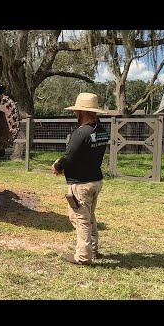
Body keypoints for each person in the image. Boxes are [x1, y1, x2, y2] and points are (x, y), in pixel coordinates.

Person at [51, 93, 109, 265]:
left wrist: (57, 166)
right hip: (95, 181)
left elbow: (69, 157)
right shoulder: (101, 131)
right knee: (90, 217)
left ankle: (83, 257)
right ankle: (93, 250)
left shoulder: (81, 133)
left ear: (81, 112)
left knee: (80, 219)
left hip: (80, 185)